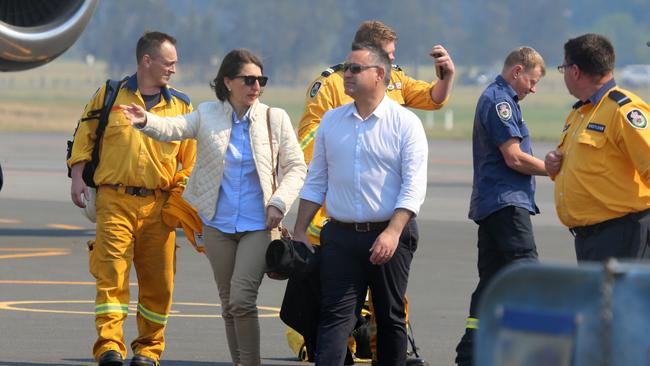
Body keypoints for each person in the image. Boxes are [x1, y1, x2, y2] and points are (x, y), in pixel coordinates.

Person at [120, 48, 307, 366]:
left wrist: (279, 202)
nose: (256, 86)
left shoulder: (274, 118)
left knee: (242, 299)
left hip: (258, 226)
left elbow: (296, 167)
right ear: (227, 81)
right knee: (227, 304)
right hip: (217, 225)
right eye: (248, 79)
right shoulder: (207, 114)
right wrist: (144, 120)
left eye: (261, 80)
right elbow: (173, 128)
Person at [295, 19, 455, 365]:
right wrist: (300, 227)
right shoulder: (330, 105)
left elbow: (414, 185)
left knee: (390, 316)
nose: (346, 74)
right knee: (335, 317)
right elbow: (314, 172)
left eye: (355, 69)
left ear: (378, 72)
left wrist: (393, 232)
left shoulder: (404, 118)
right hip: (338, 230)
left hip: (389, 233)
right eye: (348, 67)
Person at [68, 31, 196, 366]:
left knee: (160, 284)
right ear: (147, 61)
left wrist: (177, 200)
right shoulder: (109, 94)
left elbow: (192, 162)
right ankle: (109, 346)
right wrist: (78, 176)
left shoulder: (181, 106)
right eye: (168, 63)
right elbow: (85, 134)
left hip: (159, 207)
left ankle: (148, 350)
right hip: (115, 201)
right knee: (111, 276)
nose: (173, 69)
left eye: (175, 64)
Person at [455, 46, 548, 366]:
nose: (533, 89)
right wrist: (555, 170)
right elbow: (514, 156)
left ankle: (470, 351)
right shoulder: (500, 102)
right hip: (506, 203)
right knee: (529, 272)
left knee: (493, 280)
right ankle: (541, 348)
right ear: (517, 71)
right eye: (532, 81)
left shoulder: (500, 98)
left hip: (494, 204)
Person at [545, 33, 650, 261]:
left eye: (563, 68)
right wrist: (555, 166)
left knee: (620, 298)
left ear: (575, 71)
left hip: (623, 237)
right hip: (591, 239)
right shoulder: (580, 112)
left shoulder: (623, 110)